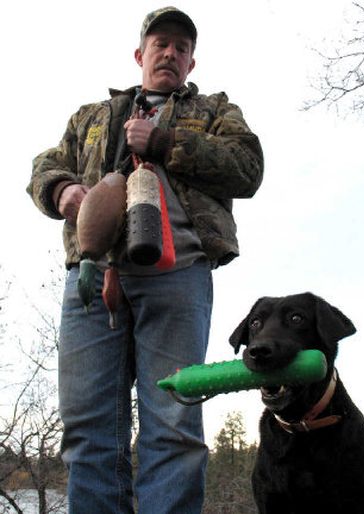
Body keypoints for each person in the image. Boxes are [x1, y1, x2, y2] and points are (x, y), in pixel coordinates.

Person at [27, 6, 263, 514]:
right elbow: (45, 164)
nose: (170, 53)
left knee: (174, 425)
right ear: (140, 54)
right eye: (161, 44)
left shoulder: (217, 111)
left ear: (191, 63)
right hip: (91, 280)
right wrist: (62, 190)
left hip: (178, 277)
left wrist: (167, 141)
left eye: (182, 47)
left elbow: (248, 168)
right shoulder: (90, 116)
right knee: (88, 427)